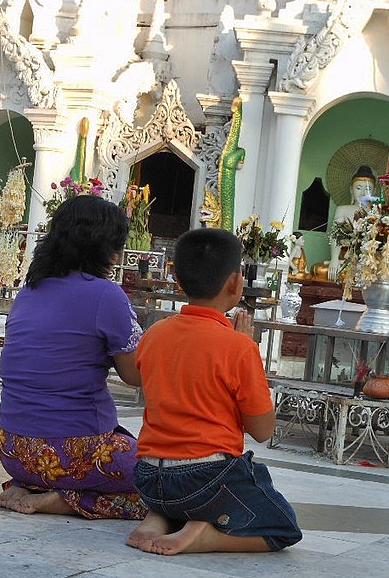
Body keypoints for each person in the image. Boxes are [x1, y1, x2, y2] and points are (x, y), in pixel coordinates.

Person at [128, 228, 302, 555]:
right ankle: (206, 536)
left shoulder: (154, 334)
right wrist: (246, 352)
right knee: (282, 525)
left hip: (149, 478)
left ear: (176, 278)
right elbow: (263, 431)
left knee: (177, 492)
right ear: (236, 284)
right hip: (205, 480)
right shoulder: (238, 348)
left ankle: (159, 517)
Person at [0, 195, 147, 520]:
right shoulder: (106, 294)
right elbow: (136, 375)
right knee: (166, 484)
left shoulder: (30, 291)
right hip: (71, 451)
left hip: (13, 449)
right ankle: (64, 500)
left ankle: (32, 486)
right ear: (107, 248)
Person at [328, 165, 376, 281]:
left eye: (368, 189)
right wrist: (334, 259)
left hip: (368, 262)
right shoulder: (342, 209)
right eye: (358, 188)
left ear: (374, 191)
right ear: (351, 189)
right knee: (320, 270)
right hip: (344, 259)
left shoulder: (377, 213)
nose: (363, 192)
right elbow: (335, 237)